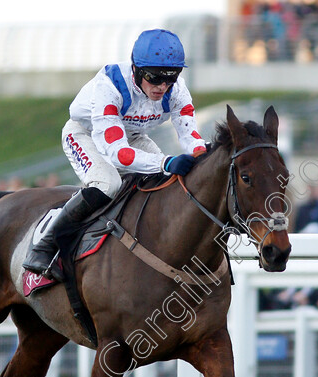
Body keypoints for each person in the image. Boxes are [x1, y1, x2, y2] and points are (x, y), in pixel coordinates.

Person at [23, 29, 206, 277]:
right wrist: (166, 161)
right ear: (137, 70)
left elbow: (190, 136)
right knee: (108, 183)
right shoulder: (109, 86)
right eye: (154, 77)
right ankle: (45, 244)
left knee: (163, 181)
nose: (163, 86)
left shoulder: (177, 90)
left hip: (133, 136)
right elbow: (118, 154)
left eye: (171, 78)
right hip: (86, 135)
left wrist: (205, 159)